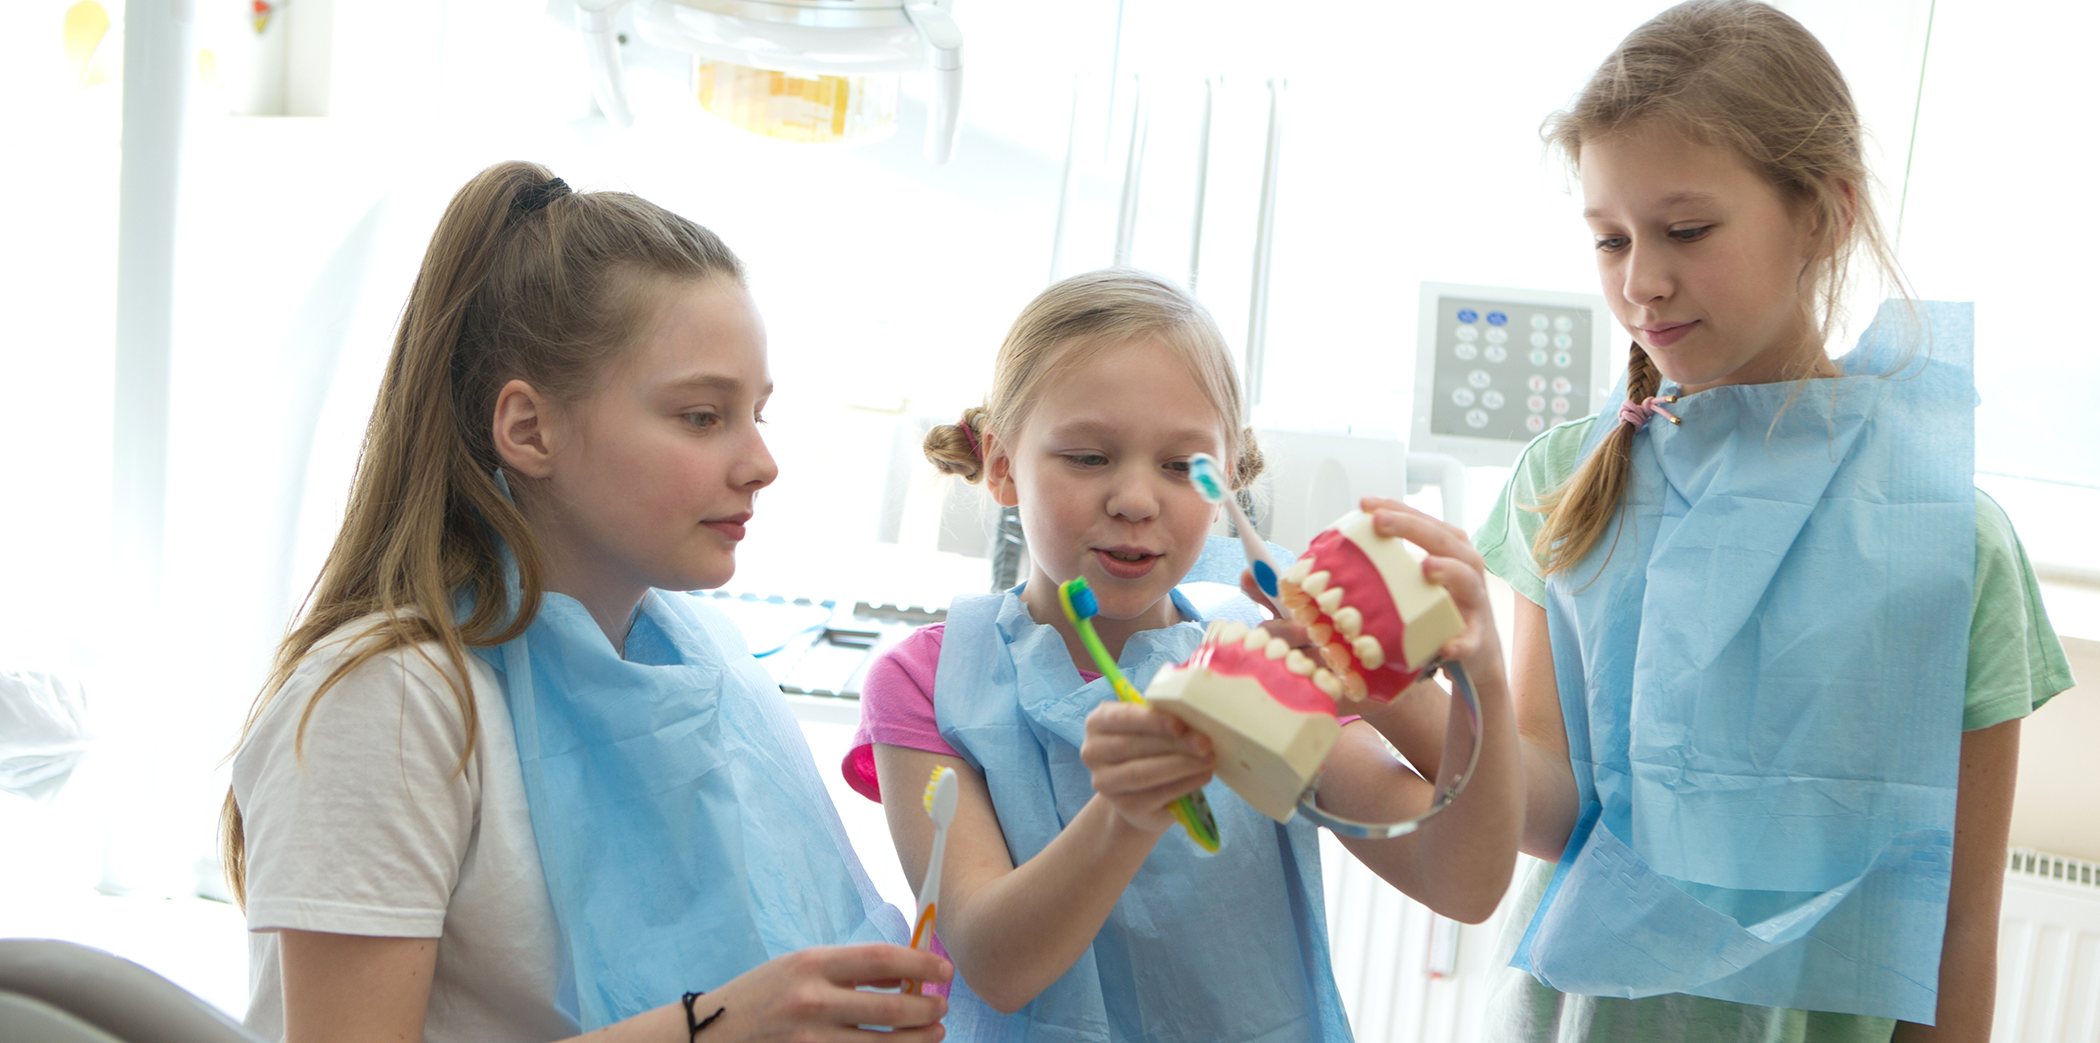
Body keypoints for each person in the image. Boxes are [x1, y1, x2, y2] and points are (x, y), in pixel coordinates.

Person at [1379, 3, 2075, 1040]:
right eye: (1610, 239)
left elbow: (1960, 923)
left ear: (1824, 216)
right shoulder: (1567, 484)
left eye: (1687, 231)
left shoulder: (1948, 543)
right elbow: (1548, 811)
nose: (1641, 281)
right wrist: (1383, 683)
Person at [222, 161, 951, 1043]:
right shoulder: (395, 703)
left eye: (757, 412)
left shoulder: (704, 659)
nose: (760, 463)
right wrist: (717, 1026)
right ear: (530, 430)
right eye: (700, 416)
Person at [842, 269, 1524, 1040]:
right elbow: (997, 963)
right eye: (1089, 456)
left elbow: (1460, 879)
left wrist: (1478, 681)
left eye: (1179, 466)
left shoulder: (1260, 661)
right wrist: (1129, 810)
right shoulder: (928, 685)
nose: (1136, 498)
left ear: (1227, 475)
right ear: (1001, 462)